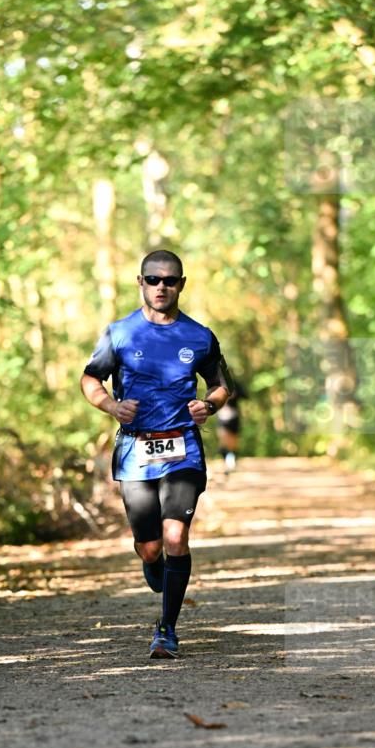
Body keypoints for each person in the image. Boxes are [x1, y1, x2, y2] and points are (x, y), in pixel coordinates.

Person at [81, 250, 233, 659]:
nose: (161, 286)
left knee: (175, 536)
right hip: (135, 449)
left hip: (182, 448)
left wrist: (210, 405)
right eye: (153, 279)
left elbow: (222, 385)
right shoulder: (120, 333)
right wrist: (111, 407)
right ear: (140, 282)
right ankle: (154, 563)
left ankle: (166, 630)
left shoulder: (199, 335)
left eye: (169, 280)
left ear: (182, 284)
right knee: (150, 547)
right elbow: (91, 378)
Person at [216, 380, 246, 473]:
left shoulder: (235, 384)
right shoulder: (216, 382)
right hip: (222, 414)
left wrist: (234, 394)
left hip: (233, 415)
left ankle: (231, 462)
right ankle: (227, 462)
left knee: (233, 441)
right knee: (223, 440)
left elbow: (245, 395)